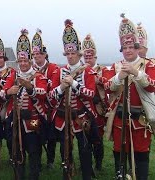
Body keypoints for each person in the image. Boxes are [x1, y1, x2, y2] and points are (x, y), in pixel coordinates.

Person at [104, 14, 155, 180]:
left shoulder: (148, 64)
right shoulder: (116, 66)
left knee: (140, 157)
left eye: (131, 47)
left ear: (137, 47)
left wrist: (135, 72)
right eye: (124, 48)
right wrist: (120, 76)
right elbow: (108, 87)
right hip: (120, 121)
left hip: (140, 121)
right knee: (120, 155)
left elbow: (152, 85)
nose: (128, 50)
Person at [49, 19, 98, 180]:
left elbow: (90, 94)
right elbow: (51, 96)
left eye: (73, 53)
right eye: (68, 53)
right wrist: (62, 87)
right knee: (65, 151)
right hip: (64, 118)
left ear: (79, 54)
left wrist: (74, 84)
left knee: (84, 151)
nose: (70, 56)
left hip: (81, 117)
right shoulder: (59, 71)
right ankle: (67, 175)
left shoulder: (87, 71)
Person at [0, 29, 47, 180]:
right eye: (20, 61)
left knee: (33, 150)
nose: (23, 64)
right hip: (16, 120)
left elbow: (43, 92)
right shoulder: (13, 75)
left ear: (30, 61)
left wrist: (29, 87)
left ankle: (34, 176)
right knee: (17, 150)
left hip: (32, 119)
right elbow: (2, 92)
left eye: (25, 61)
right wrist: (8, 92)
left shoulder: (38, 75)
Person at [31, 28, 59, 170]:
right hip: (35, 106)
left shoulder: (54, 68)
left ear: (45, 54)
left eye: (39, 53)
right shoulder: (31, 69)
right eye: (34, 54)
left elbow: (52, 89)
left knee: (52, 138)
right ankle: (38, 161)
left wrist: (41, 88)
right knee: (37, 136)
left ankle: (51, 160)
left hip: (51, 107)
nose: (36, 56)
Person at [82, 34, 108, 171]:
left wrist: (99, 82)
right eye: (85, 57)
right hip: (84, 107)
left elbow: (109, 87)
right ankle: (87, 165)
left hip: (98, 108)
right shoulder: (80, 71)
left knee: (98, 138)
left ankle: (98, 163)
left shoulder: (102, 70)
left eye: (90, 57)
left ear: (95, 57)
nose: (87, 59)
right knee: (84, 138)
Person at [0, 32, 17, 164]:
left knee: (9, 133)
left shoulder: (12, 72)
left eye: (1, 58)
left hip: (7, 105)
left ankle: (12, 156)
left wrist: (3, 92)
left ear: (4, 59)